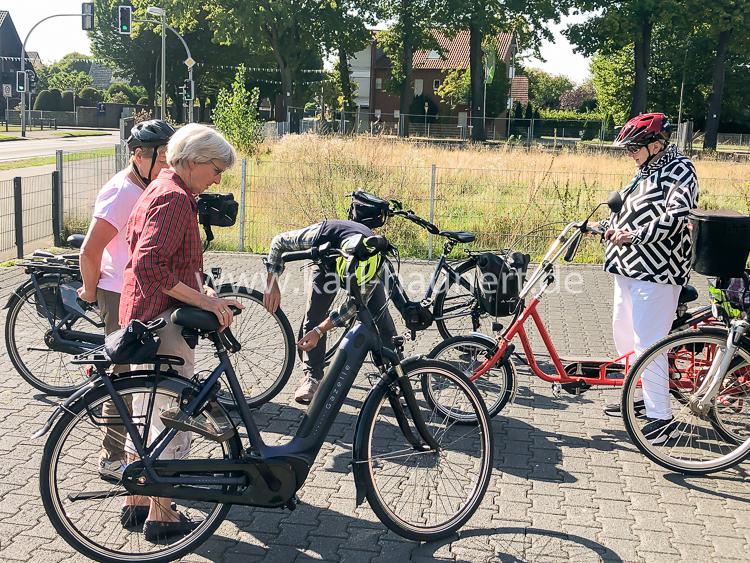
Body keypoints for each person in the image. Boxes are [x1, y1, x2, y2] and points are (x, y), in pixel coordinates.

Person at [119, 123, 243, 540]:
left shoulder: (161, 188)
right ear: (191, 161)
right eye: (215, 168)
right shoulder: (174, 198)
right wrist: (205, 301)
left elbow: (164, 262)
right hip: (163, 322)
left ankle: (136, 504)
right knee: (172, 415)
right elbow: (151, 265)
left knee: (144, 410)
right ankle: (163, 514)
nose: (219, 178)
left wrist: (202, 288)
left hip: (143, 318)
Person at [77, 119, 175, 482]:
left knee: (139, 376)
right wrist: (89, 291)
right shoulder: (123, 193)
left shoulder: (148, 185)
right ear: (138, 155)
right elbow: (90, 251)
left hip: (137, 290)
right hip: (117, 292)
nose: (167, 163)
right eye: (161, 156)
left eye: (170, 155)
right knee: (120, 378)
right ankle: (111, 456)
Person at [599, 113, 699, 443]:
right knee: (624, 334)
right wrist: (607, 226)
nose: (630, 153)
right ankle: (637, 397)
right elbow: (627, 207)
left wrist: (635, 236)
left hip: (658, 270)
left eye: (634, 147)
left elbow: (676, 216)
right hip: (627, 267)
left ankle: (662, 418)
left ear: (655, 144)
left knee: (649, 344)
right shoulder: (646, 169)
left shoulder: (680, 169)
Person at [262, 220, 397, 404]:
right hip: (327, 262)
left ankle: (395, 377)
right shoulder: (319, 235)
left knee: (382, 321)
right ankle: (312, 377)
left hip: (364, 270)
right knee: (314, 316)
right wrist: (272, 282)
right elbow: (279, 242)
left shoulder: (375, 261)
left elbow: (352, 307)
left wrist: (320, 331)